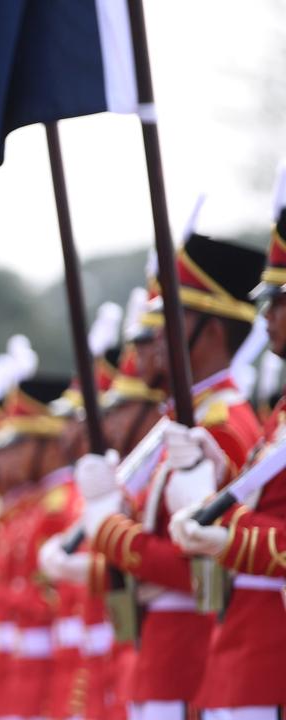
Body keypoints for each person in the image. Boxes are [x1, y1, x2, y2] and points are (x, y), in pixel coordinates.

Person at [76, 234, 264, 720]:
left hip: (188, 655)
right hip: (162, 652)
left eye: (166, 326)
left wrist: (108, 531)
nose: (150, 343)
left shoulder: (223, 427)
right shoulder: (189, 423)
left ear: (212, 332)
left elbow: (201, 569)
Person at [167, 183, 286, 718]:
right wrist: (222, 479)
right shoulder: (279, 412)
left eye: (276, 301)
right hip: (242, 650)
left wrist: (223, 531)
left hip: (263, 653)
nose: (266, 317)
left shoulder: (238, 417)